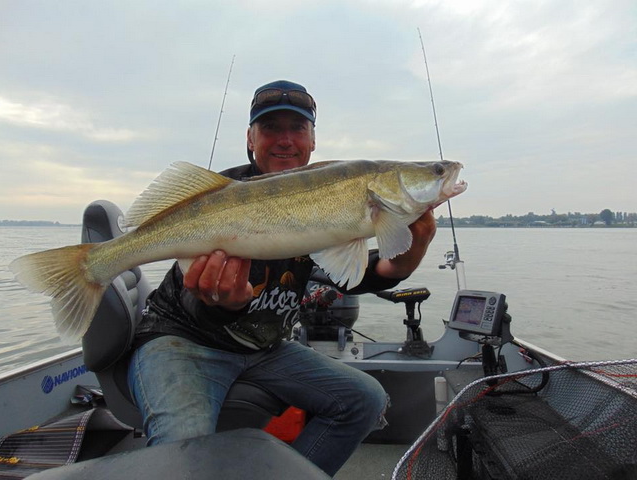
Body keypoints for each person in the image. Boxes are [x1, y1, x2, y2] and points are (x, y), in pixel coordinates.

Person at [128, 80, 437, 476]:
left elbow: (352, 275)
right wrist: (228, 303)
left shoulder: (326, 202)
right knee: (183, 457)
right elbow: (194, 301)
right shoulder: (222, 193)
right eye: (271, 128)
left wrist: (409, 257)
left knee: (364, 399)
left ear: (312, 140)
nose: (286, 140)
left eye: (298, 128)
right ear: (250, 138)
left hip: (263, 346)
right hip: (181, 339)